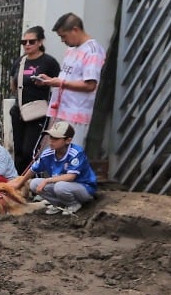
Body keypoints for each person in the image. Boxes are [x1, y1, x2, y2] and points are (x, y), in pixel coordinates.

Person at [39, 13, 105, 144]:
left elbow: (90, 85)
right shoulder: (71, 49)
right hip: (59, 111)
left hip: (75, 115)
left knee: (69, 157)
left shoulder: (92, 50)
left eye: (64, 36)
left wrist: (60, 83)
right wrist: (51, 81)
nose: (63, 40)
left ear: (75, 29)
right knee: (53, 155)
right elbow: (68, 77)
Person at [12, 119, 98, 214]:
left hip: (84, 188)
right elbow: (33, 170)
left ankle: (73, 204)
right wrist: (19, 184)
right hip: (63, 187)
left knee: (60, 186)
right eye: (51, 137)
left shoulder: (76, 153)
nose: (51, 141)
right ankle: (59, 205)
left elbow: (71, 176)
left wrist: (47, 180)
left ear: (68, 140)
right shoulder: (48, 153)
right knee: (34, 184)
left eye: (56, 138)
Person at [10, 26, 61, 166]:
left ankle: (30, 181)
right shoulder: (20, 61)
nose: (27, 45)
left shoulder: (49, 62)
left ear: (40, 42)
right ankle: (19, 183)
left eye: (31, 41)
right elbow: (13, 84)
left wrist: (45, 83)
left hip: (38, 112)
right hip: (19, 111)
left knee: (29, 151)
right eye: (24, 42)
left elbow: (59, 84)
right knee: (19, 150)